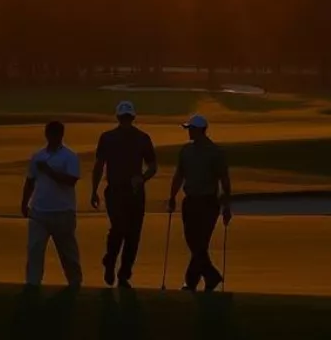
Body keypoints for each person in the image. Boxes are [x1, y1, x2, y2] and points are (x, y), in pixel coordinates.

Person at [91, 100, 158, 287]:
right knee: (119, 228)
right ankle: (110, 261)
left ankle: (124, 273)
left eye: (128, 118)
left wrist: (142, 178)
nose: (126, 121)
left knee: (133, 234)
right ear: (119, 118)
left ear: (132, 118)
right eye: (124, 118)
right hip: (115, 191)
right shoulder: (107, 138)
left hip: (135, 192)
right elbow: (99, 166)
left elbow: (153, 166)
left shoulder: (143, 138)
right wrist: (94, 190)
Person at [167, 114, 231, 291]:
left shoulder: (215, 152)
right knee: (193, 241)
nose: (189, 132)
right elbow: (179, 175)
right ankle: (210, 277)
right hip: (190, 202)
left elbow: (224, 180)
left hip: (208, 202)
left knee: (200, 243)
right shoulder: (186, 151)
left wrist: (227, 205)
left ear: (199, 130)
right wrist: (172, 197)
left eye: (191, 129)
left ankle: (193, 281)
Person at [22, 120, 83, 287]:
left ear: (61, 135)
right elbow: (30, 181)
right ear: (46, 134)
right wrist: (24, 202)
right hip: (39, 211)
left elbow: (71, 181)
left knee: (68, 253)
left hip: (63, 212)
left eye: (56, 134)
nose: (53, 137)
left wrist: (49, 171)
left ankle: (75, 283)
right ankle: (32, 284)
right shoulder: (38, 156)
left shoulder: (69, 157)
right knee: (35, 250)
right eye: (50, 133)